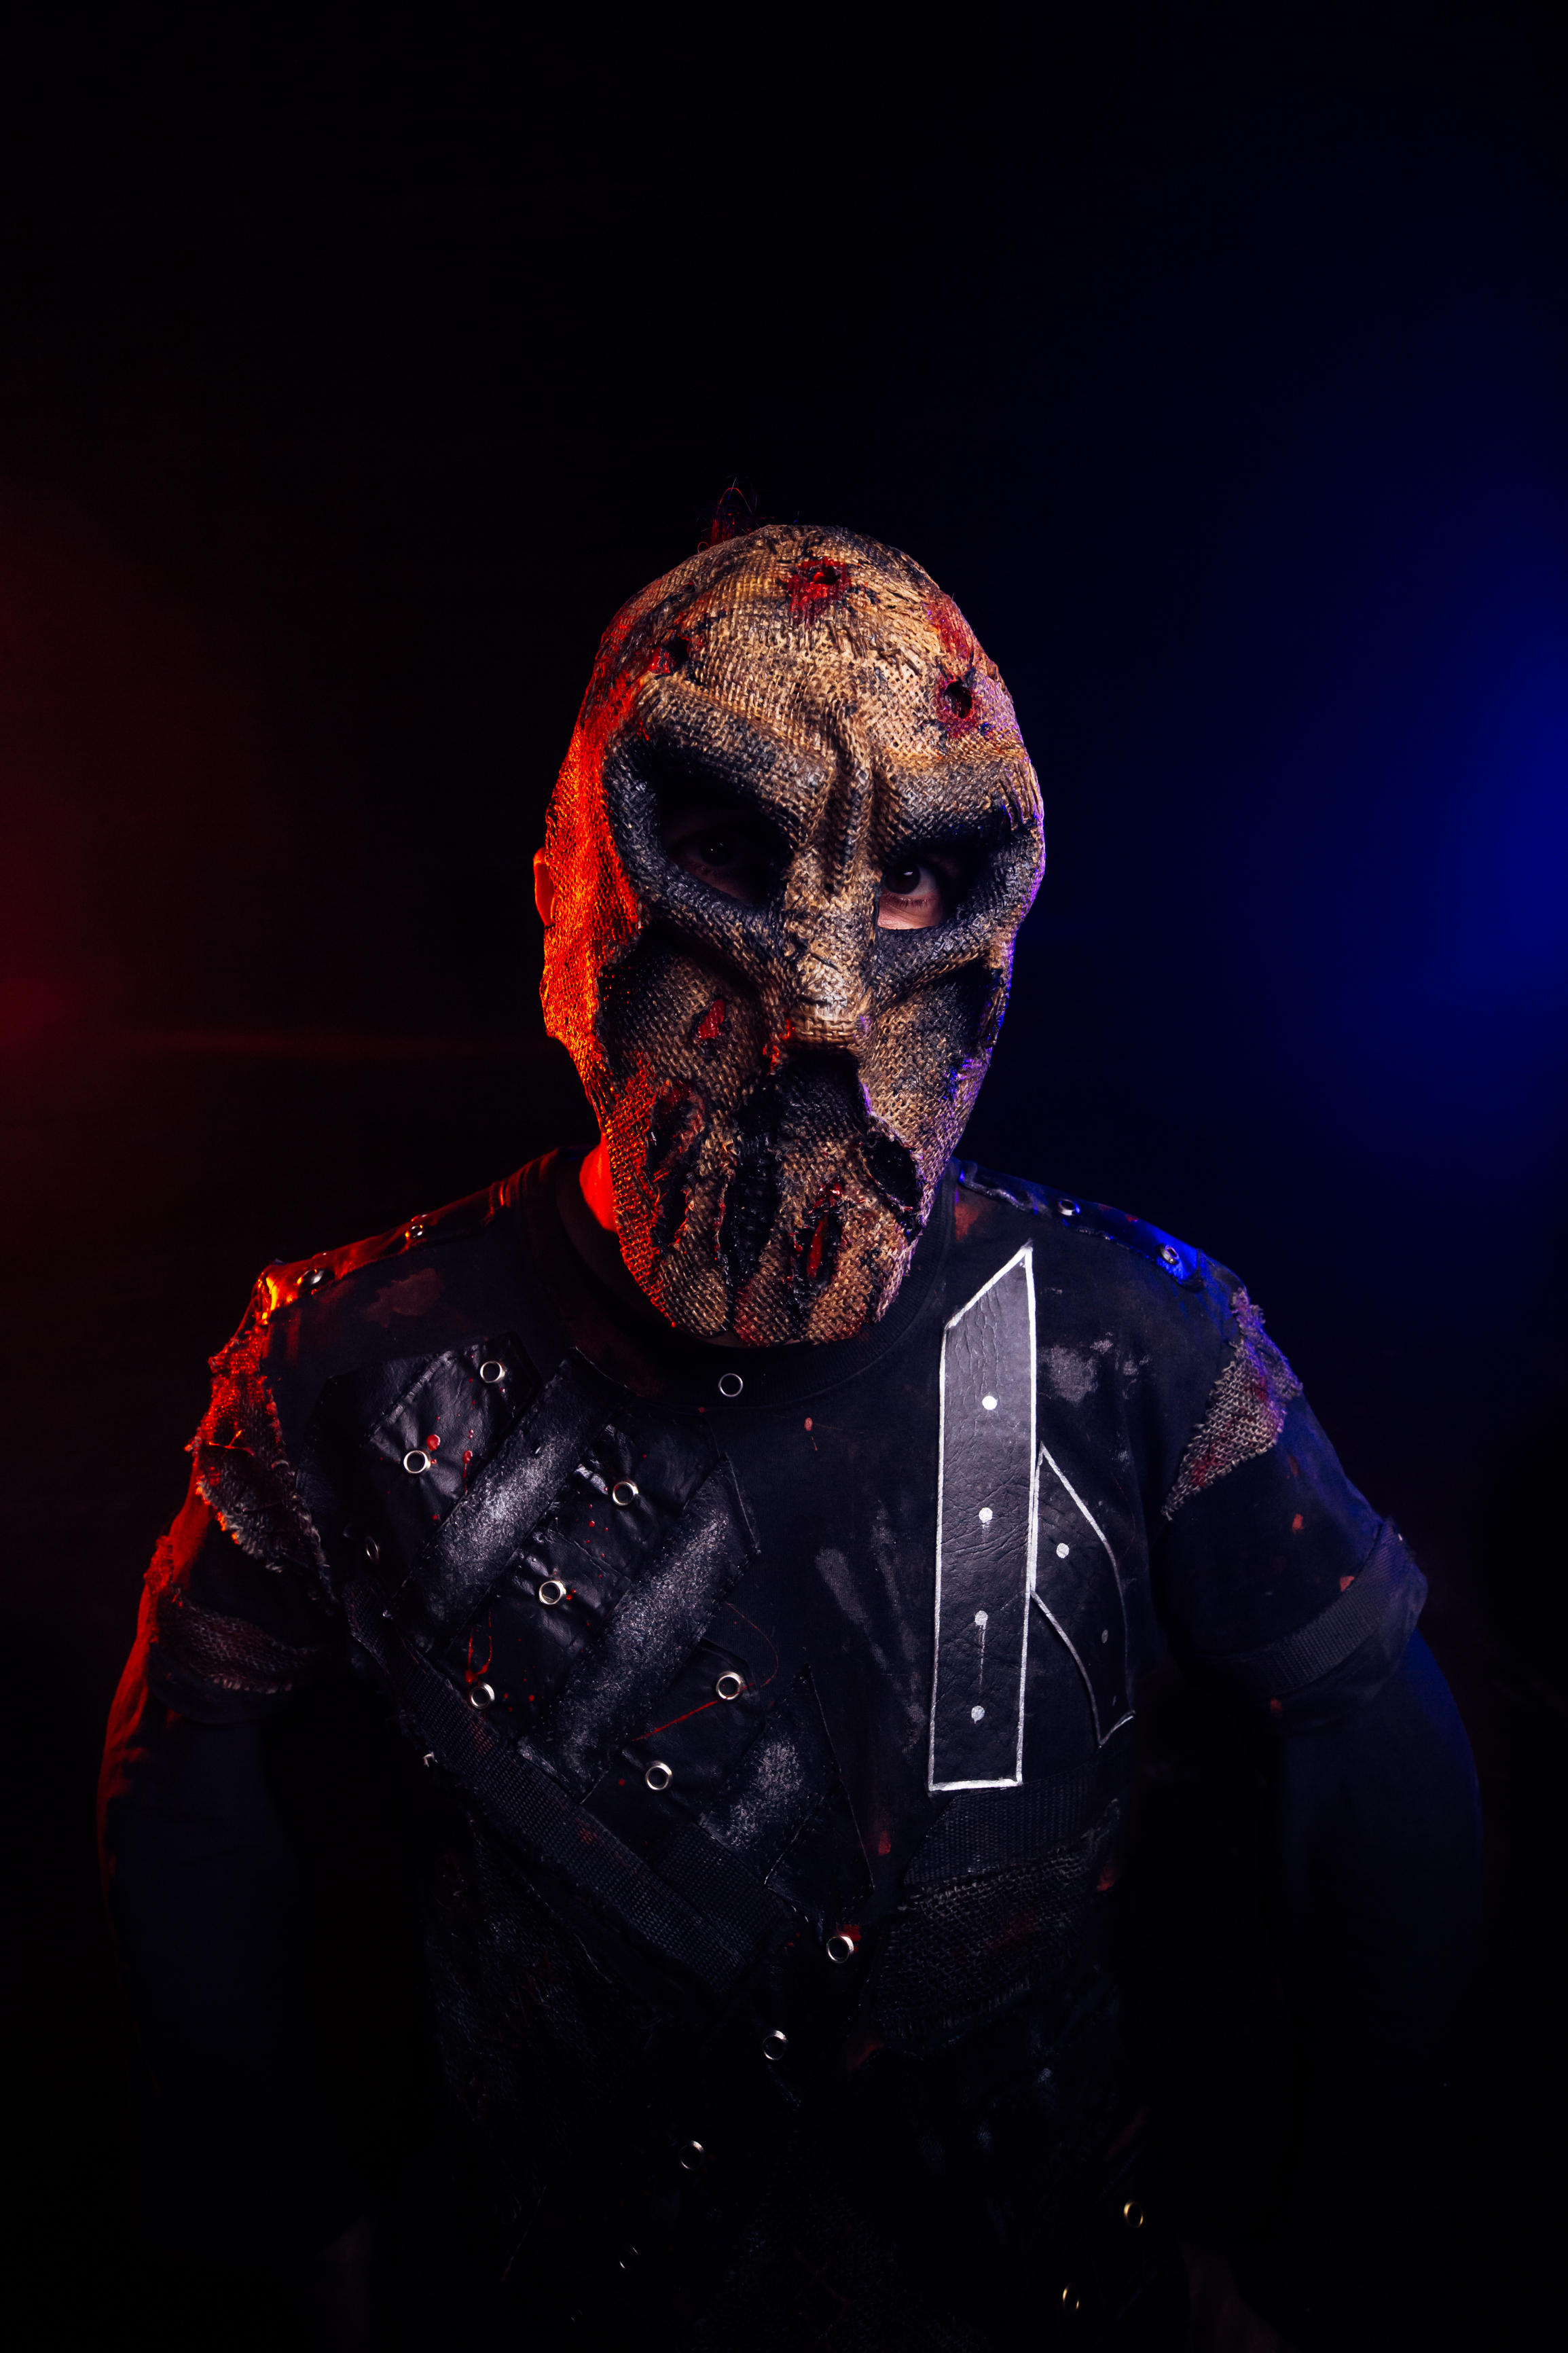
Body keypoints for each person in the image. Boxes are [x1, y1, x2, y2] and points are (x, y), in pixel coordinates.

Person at [99, 524, 1480, 2352]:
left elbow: (1387, 1795)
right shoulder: (350, 1366)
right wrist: (292, 2226)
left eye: (911, 878)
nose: (821, 996)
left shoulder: (1137, 1343)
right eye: (735, 850)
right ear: (579, 883)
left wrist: (1336, 2283)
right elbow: (183, 1793)